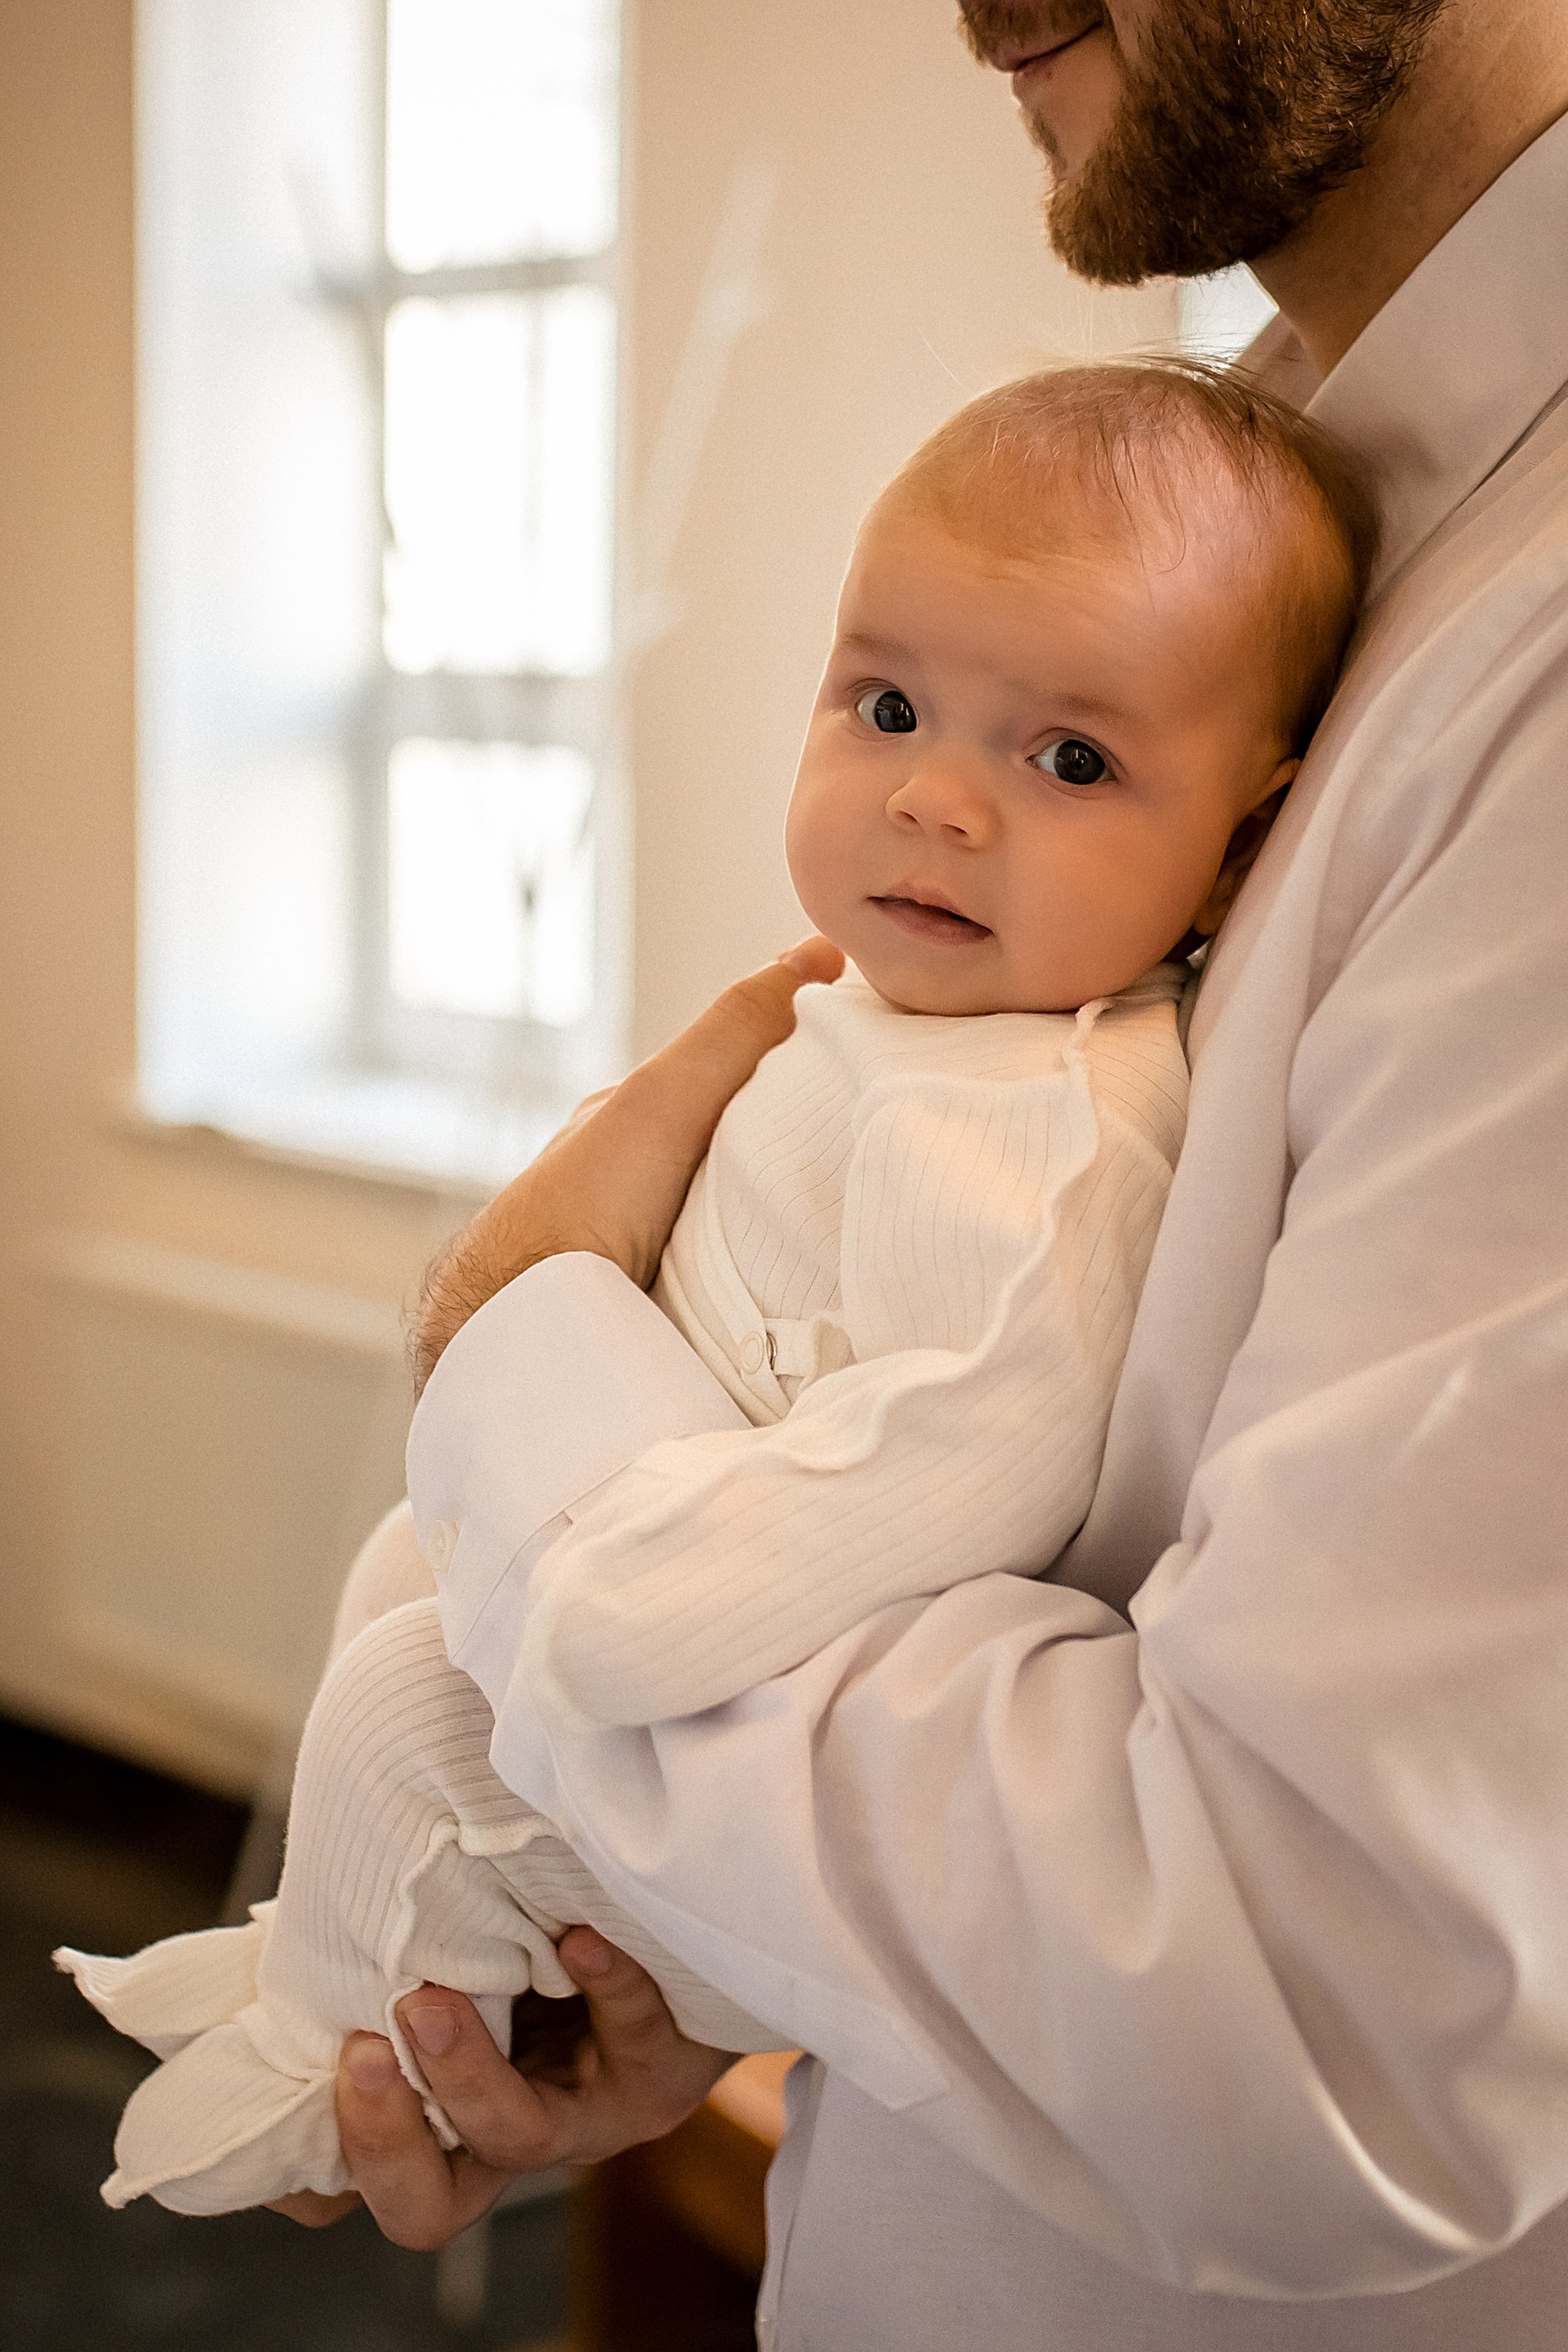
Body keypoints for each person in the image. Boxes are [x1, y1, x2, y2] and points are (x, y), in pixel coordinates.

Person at [282, 4, 1568, 2346]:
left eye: (1067, 758)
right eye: (882, 705)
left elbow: (1314, 2012)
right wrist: (717, 1939)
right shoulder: (1281, 480)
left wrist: (525, 1366)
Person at [60, 362, 1374, 2218]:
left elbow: (970, 1449)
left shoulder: (1036, 1127)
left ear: (1241, 844)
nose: (934, 799)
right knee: (392, 1583)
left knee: (397, 1718)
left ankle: (322, 2067)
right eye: (888, 706)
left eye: (1070, 760)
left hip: (707, 1659)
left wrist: (609, 1605)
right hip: (644, 1568)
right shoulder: (901, 1017)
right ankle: (343, 1959)